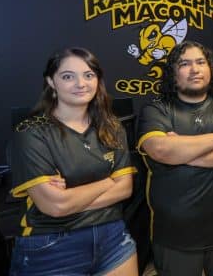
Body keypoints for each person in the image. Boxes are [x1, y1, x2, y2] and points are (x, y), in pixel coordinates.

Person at [9, 47, 138, 276]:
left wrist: (71, 196)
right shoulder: (31, 132)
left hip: (114, 239)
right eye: (68, 76)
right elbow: (56, 206)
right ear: (51, 81)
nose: (81, 83)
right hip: (53, 246)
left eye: (88, 75)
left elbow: (125, 189)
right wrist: (108, 182)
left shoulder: (112, 127)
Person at [137, 41, 213, 276]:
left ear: (210, 68)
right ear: (173, 72)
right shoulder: (157, 109)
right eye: (184, 63)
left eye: (200, 62)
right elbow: (162, 150)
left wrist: (183, 153)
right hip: (176, 236)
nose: (195, 69)